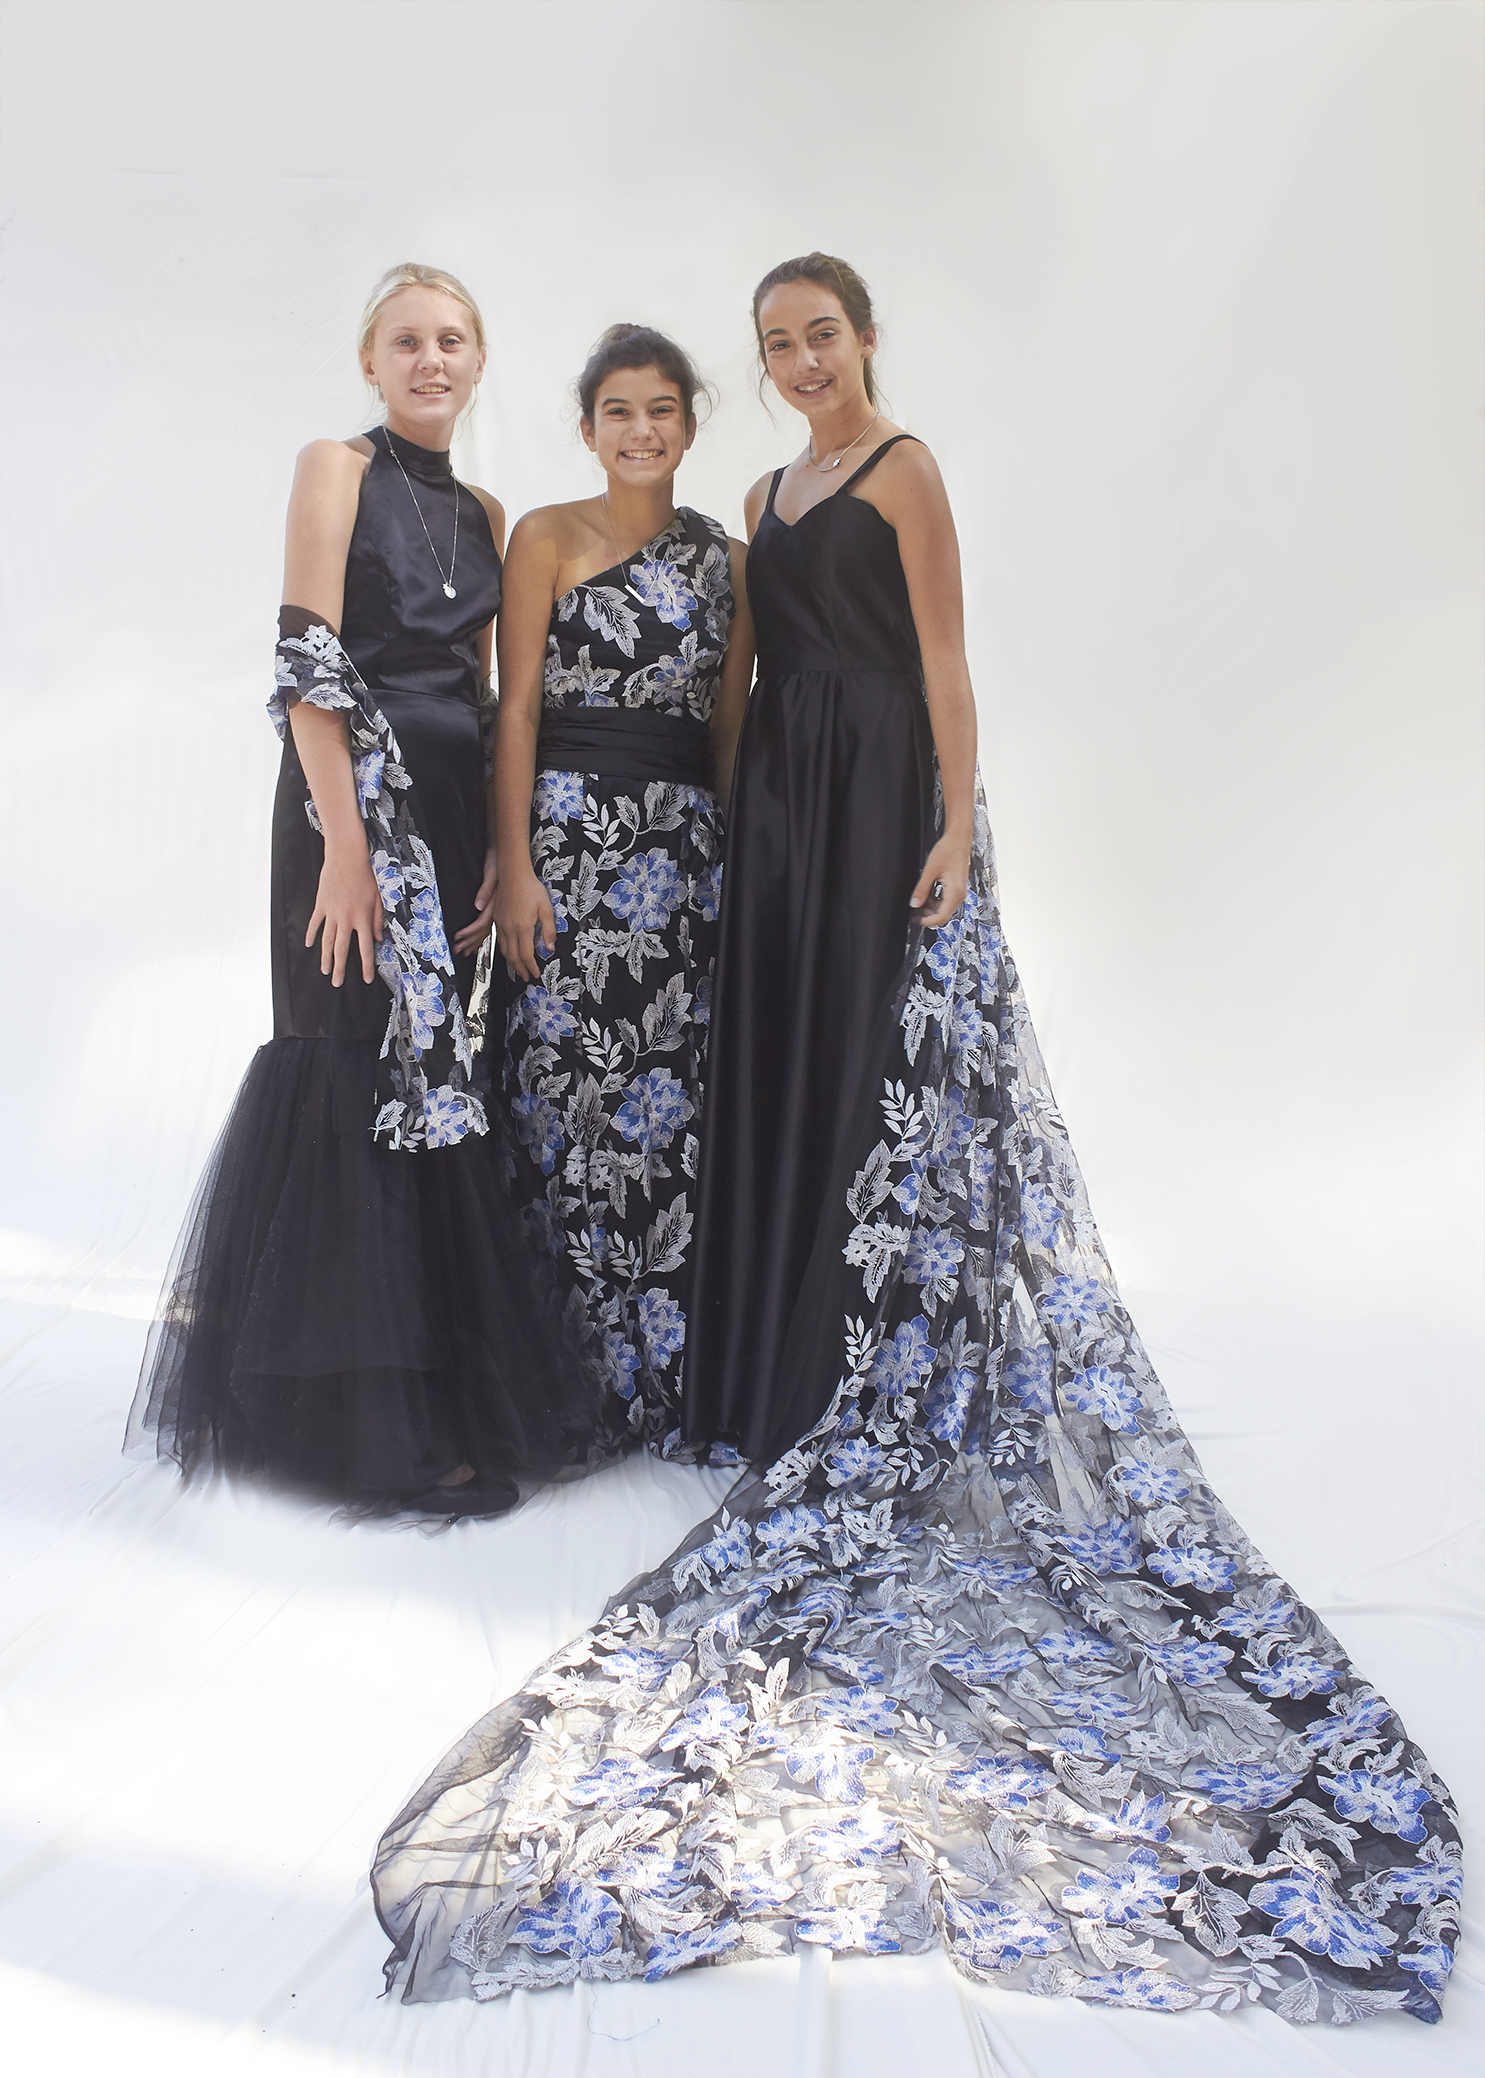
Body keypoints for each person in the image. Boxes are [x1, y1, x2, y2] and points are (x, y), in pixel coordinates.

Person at [372, 260, 1459, 2022]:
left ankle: (854, 1362)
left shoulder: (905, 468)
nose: (802, 360)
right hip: (778, 804)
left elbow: (946, 661)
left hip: (880, 783)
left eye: (821, 335)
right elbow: (731, 697)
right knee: (783, 1071)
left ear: (864, 339)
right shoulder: (759, 497)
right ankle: (763, 1365)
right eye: (779, 342)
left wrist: (958, 826)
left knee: (879, 1072)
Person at [127, 263, 598, 1516]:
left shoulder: (491, 512)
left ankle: (437, 1381)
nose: (430, 359)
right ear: (372, 362)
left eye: (451, 340)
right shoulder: (334, 466)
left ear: (480, 361)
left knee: (436, 1081)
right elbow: (306, 660)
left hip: (451, 819)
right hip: (350, 812)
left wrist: (503, 846)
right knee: (349, 1054)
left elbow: (497, 700)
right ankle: (360, 1417)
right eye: (407, 341)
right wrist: (344, 846)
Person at [483, 324, 753, 1452]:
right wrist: (513, 872)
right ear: (588, 427)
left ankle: (666, 1375)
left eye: (661, 410)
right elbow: (517, 713)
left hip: (678, 867)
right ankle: (556, 1376)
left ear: (690, 422)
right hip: (564, 852)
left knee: (666, 1114)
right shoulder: (544, 535)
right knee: (556, 1099)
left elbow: (729, 727)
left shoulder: (730, 562)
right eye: (618, 412)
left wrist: (737, 871)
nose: (641, 431)